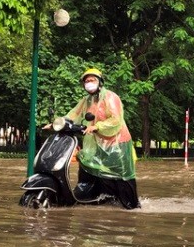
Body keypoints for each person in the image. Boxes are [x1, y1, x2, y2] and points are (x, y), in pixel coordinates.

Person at [57, 68, 140, 209]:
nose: (89, 83)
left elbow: (115, 119)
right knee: (88, 168)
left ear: (100, 82)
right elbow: (74, 114)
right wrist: (58, 122)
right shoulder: (86, 101)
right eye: (86, 81)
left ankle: (129, 206)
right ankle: (90, 199)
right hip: (96, 143)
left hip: (116, 144)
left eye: (92, 80)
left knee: (121, 177)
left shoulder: (110, 97)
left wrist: (97, 126)